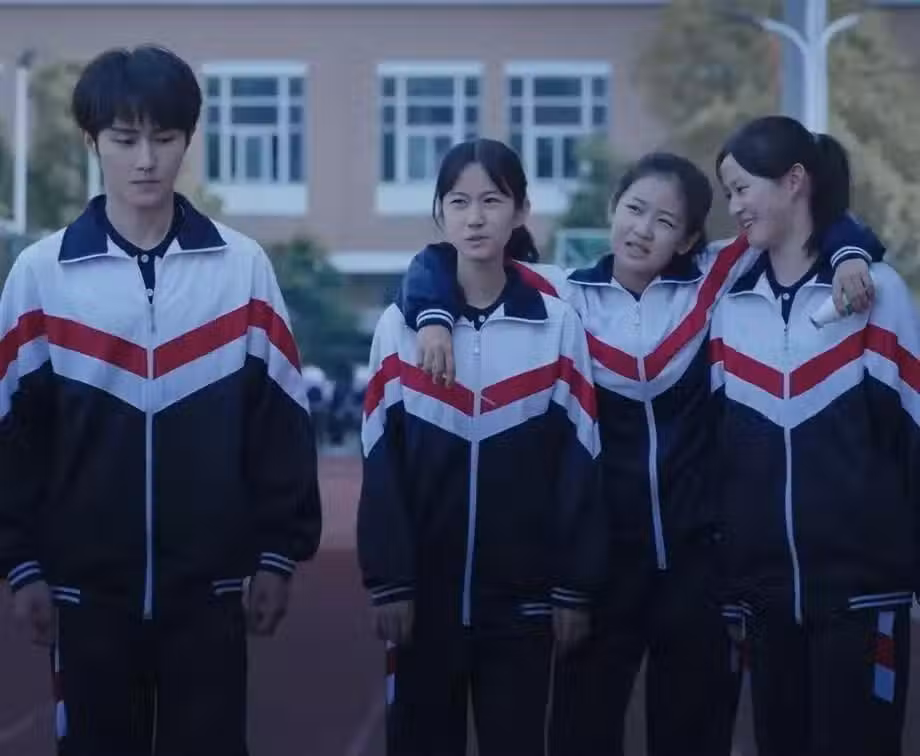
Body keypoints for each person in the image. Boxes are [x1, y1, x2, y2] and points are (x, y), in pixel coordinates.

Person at [394, 147, 883, 755]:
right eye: (634, 209)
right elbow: (441, 258)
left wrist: (850, 252)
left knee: (692, 736)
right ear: (612, 209)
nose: (642, 229)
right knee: (580, 736)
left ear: (690, 240)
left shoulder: (713, 278)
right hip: (606, 568)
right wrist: (433, 316)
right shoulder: (564, 293)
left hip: (699, 569)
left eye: (665, 221)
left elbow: (802, 217)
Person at [0, 45, 322, 756]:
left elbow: (279, 424)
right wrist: (20, 562)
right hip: (86, 599)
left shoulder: (241, 269)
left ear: (187, 140)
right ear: (93, 141)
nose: (146, 159)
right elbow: (14, 437)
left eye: (164, 138)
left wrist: (277, 554)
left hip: (210, 595)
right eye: (125, 139)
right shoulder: (40, 276)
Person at [357, 138, 604, 756]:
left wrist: (572, 586)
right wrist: (391, 582)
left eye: (492, 201)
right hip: (424, 605)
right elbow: (382, 462)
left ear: (521, 212)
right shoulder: (398, 328)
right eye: (459, 202)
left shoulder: (556, 326)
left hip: (523, 604)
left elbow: (579, 464)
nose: (475, 218)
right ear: (439, 213)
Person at [711, 115, 918, 756]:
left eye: (743, 188)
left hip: (864, 594)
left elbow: (911, 433)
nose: (734, 207)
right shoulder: (729, 302)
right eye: (728, 193)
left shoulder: (878, 292)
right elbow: (724, 452)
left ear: (795, 180)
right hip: (765, 601)